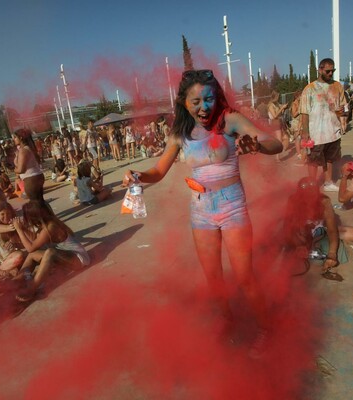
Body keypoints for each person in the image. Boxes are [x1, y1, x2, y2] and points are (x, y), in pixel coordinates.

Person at [121, 69, 282, 344]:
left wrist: (256, 145)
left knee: (245, 278)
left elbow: (275, 143)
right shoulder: (180, 132)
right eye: (196, 102)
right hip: (201, 213)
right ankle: (228, 324)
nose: (204, 107)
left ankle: (267, 328)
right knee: (214, 279)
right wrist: (138, 175)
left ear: (216, 97)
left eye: (208, 99)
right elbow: (159, 171)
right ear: (184, 102)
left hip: (233, 209)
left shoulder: (229, 120)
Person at [13, 201, 90, 302]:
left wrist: (19, 230)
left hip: (78, 260)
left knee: (50, 252)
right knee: (33, 255)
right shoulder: (47, 225)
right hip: (68, 258)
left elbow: (30, 247)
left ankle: (32, 288)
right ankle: (15, 281)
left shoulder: (51, 227)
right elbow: (35, 243)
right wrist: (22, 229)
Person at [284, 176, 353, 275]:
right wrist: (298, 245)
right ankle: (335, 248)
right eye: (305, 197)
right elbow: (288, 228)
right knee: (293, 248)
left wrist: (332, 254)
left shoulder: (324, 201)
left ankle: (324, 249)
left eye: (312, 196)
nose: (309, 200)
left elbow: (331, 230)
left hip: (320, 233)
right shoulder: (293, 201)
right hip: (301, 236)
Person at [300, 58, 347, 191]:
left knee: (330, 158)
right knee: (313, 160)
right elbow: (304, 112)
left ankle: (328, 182)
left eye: (333, 71)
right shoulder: (310, 89)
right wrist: (305, 132)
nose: (331, 73)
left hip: (333, 131)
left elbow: (344, 107)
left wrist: (342, 114)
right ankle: (312, 184)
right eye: (328, 71)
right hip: (316, 133)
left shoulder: (337, 86)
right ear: (320, 70)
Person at [12, 128, 46, 204]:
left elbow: (21, 170)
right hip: (37, 175)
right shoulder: (29, 148)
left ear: (20, 138)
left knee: (35, 202)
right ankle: (48, 215)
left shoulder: (23, 150)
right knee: (40, 201)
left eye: (15, 137)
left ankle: (43, 215)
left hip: (31, 178)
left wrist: (14, 170)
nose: (14, 139)